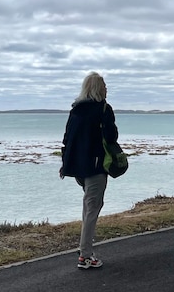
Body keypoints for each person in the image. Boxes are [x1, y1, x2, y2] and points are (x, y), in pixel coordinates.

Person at [60, 71, 119, 269]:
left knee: (89, 207)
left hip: (78, 167)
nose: (107, 89)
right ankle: (85, 256)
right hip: (96, 166)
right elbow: (111, 136)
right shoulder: (103, 109)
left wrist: (65, 165)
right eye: (104, 85)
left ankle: (85, 249)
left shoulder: (76, 110)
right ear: (98, 88)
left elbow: (67, 138)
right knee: (92, 209)